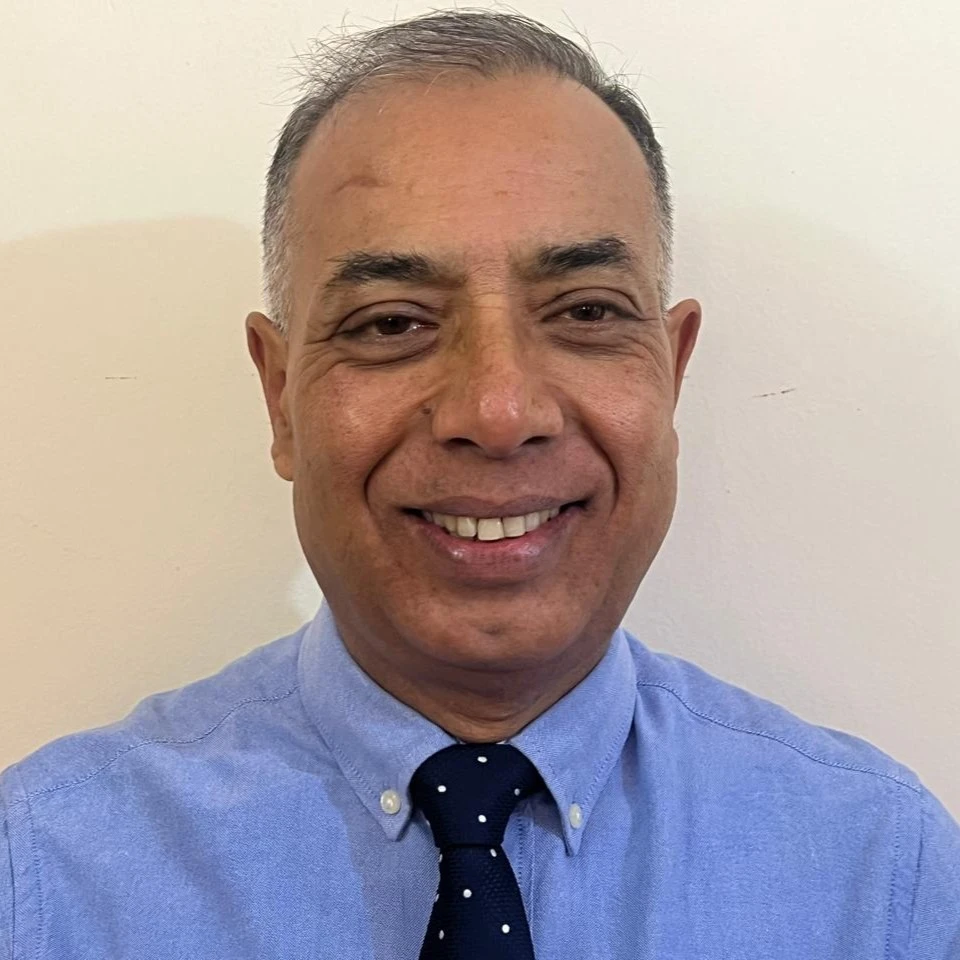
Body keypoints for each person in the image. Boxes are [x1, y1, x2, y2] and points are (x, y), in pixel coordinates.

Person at [2, 9, 957, 958]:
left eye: (585, 312)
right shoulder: (42, 879)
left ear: (672, 374)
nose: (498, 412)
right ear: (280, 396)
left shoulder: (882, 876)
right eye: (391, 323)